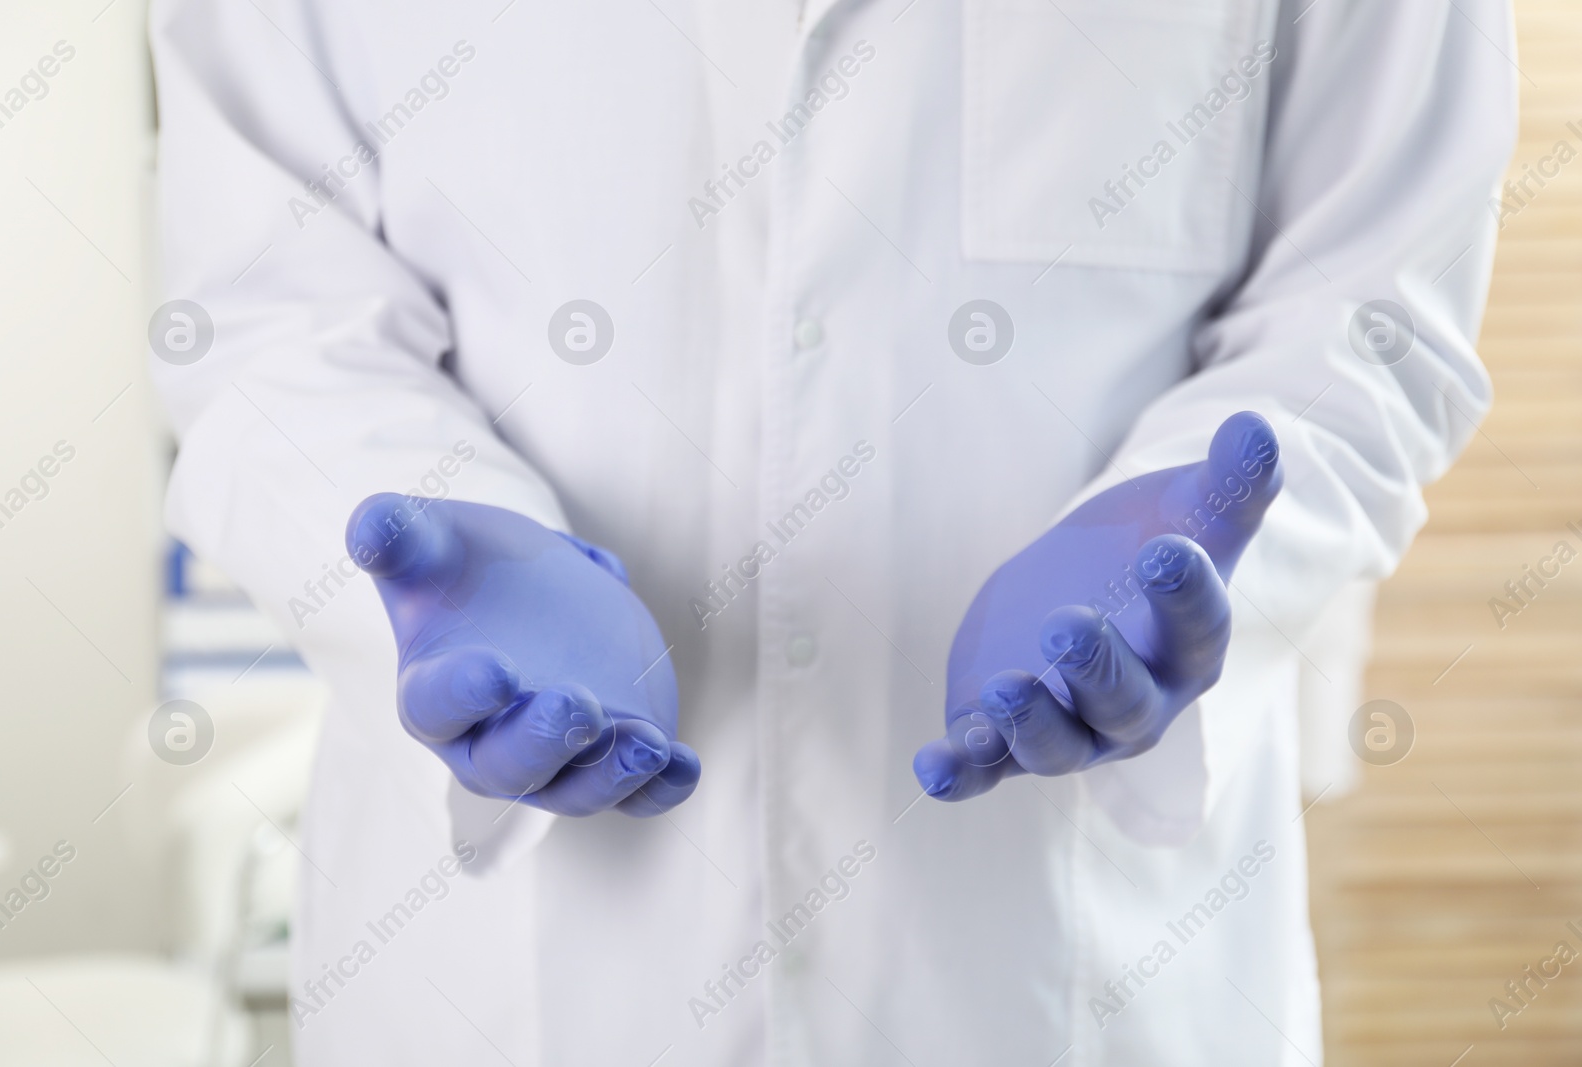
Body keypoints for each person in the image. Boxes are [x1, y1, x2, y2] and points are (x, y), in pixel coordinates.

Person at [148, 0, 1515, 1062]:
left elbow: (1374, 295)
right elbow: (266, 303)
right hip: (505, 994)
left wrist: (1196, 524)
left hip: (1078, 989)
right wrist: (440, 537)